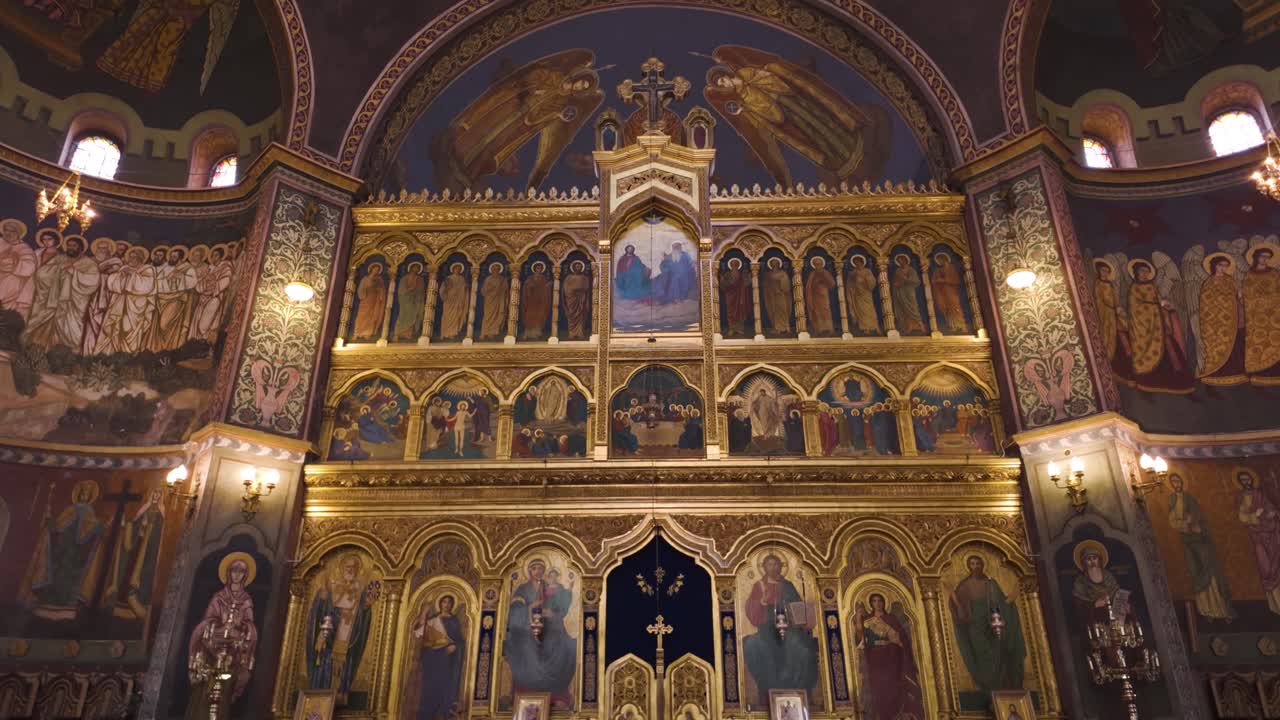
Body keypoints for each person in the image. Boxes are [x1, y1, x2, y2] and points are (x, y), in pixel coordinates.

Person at [18, 480, 106, 621]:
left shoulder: (89, 511)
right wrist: (50, 520)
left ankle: (65, 605)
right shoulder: (69, 510)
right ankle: (48, 603)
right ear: (78, 494)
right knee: (55, 573)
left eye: (87, 493)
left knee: (69, 577)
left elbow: (90, 527)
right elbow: (59, 525)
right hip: (62, 547)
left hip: (75, 552)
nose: (84, 495)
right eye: (83, 493)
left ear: (90, 497)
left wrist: (100, 525)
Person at [742, 554, 818, 703]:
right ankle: (768, 690)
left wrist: (795, 610)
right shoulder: (759, 586)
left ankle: (799, 690)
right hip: (766, 629)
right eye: (769, 565)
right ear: (764, 567)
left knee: (803, 649)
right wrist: (762, 603)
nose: (773, 567)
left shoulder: (788, 585)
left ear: (781, 566)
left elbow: (798, 608)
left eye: (775, 564)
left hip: (790, 629)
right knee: (753, 646)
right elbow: (751, 608)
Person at [504, 559, 576, 706]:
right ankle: (525, 695)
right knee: (527, 649)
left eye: (541, 569)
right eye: (535, 568)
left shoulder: (547, 586)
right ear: (529, 571)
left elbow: (559, 606)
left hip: (549, 628)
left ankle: (556, 696)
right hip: (525, 631)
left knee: (567, 647)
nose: (538, 572)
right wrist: (531, 607)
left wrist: (553, 612)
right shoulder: (523, 589)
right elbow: (515, 613)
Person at [306, 554, 377, 702]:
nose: (350, 570)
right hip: (331, 632)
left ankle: (340, 694)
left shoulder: (360, 589)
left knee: (345, 661)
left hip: (349, 632)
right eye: (347, 567)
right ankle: (320, 693)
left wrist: (366, 607)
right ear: (341, 568)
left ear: (358, 570)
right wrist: (322, 599)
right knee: (325, 659)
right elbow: (320, 610)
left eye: (354, 567)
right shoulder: (333, 586)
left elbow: (363, 612)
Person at [948, 555, 1025, 693]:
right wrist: (958, 605)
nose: (975, 566)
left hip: (991, 623)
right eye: (972, 564)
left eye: (978, 563)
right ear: (968, 566)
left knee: (997, 651)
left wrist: (1010, 599)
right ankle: (987, 687)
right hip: (974, 625)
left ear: (983, 565)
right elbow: (958, 607)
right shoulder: (964, 585)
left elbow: (1000, 604)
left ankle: (1001, 685)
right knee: (981, 654)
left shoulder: (991, 584)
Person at [188, 553, 258, 702]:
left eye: (241, 571)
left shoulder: (246, 600)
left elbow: (249, 625)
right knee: (204, 691)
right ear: (228, 572)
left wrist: (240, 627)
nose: (237, 575)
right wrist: (217, 625)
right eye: (234, 570)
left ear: (245, 575)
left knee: (224, 691)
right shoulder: (218, 597)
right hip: (213, 646)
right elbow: (208, 620)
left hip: (233, 650)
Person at [1167, 473, 1234, 620]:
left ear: (1182, 482)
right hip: (1188, 541)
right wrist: (1185, 524)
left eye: (1178, 480)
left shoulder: (1190, 498)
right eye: (1173, 482)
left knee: (1209, 568)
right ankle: (1205, 610)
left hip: (1201, 539)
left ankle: (1220, 608)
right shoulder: (1171, 499)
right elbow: (1172, 521)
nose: (1176, 484)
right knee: (1196, 572)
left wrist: (1194, 523)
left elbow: (1199, 516)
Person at [23, 235, 100, 351]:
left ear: (80, 247)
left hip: (73, 304)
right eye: (69, 245)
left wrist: (74, 273)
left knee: (71, 328)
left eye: (74, 246)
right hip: (54, 300)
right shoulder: (59, 259)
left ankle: (69, 352)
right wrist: (58, 268)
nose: (71, 248)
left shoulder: (88, 263)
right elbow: (41, 274)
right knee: (45, 324)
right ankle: (42, 349)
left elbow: (93, 281)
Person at [1127, 259, 1194, 392]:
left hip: (1159, 325)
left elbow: (1158, 300)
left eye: (1147, 271)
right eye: (1142, 271)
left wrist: (1165, 306)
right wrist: (1155, 308)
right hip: (1146, 330)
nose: (1145, 274)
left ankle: (1179, 381)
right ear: (1136, 272)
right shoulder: (1134, 289)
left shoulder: (1152, 286)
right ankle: (1149, 384)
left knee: (1171, 350)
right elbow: (1135, 309)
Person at [855, 593, 924, 720]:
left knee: (892, 686)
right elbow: (862, 638)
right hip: (875, 659)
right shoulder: (868, 620)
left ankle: (896, 715)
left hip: (891, 657)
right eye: (874, 601)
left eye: (880, 600)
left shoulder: (891, 618)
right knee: (879, 688)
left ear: (884, 602)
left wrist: (895, 643)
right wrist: (859, 617)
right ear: (871, 604)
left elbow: (902, 639)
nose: (877, 603)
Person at [95, 247, 158, 355]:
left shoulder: (148, 269)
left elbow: (147, 287)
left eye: (134, 257)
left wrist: (132, 274)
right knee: (116, 328)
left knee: (129, 329)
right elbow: (113, 284)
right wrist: (122, 276)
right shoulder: (125, 268)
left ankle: (129, 354)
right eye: (130, 257)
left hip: (137, 307)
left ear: (140, 259)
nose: (131, 259)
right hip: (119, 304)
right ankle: (112, 353)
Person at [411, 595, 466, 720]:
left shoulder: (453, 621)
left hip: (446, 659)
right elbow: (419, 632)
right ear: (440, 603)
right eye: (444, 602)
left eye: (449, 602)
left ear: (452, 605)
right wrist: (424, 613)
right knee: (429, 686)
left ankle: (443, 712)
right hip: (431, 658)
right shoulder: (433, 619)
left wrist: (455, 646)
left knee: (443, 685)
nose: (446, 605)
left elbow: (460, 641)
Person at [1236, 468, 1280, 613]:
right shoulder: (1241, 497)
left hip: (1271, 534)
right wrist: (1255, 514)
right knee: (1265, 567)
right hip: (1257, 536)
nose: (1246, 482)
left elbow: (1269, 507)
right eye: (1243, 480)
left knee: (1276, 563)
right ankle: (1275, 604)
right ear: (1240, 482)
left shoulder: (1260, 493)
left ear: (1252, 479)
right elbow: (1242, 517)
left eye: (1247, 479)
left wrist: (1271, 513)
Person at [1244, 246, 1280, 382]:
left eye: (1268, 257)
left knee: (1275, 341)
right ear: (1256, 257)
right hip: (1256, 315)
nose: (1265, 259)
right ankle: (1259, 374)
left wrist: (1271, 300)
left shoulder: (1274, 273)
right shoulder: (1249, 274)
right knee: (1258, 342)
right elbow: (1247, 294)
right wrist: (1257, 301)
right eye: (1262, 256)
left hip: (1273, 314)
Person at [0, 219, 36, 318]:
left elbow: (30, 267)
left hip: (11, 282)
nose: (8, 233)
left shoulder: (24, 248)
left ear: (18, 233)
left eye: (12, 231)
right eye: (6, 230)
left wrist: (15, 264)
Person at [931, 252, 967, 332]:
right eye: (938, 260)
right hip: (942, 292)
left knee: (955, 307)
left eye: (940, 259)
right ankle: (952, 326)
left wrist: (944, 280)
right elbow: (934, 281)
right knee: (947, 309)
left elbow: (956, 280)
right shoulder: (938, 270)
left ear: (944, 259)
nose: (939, 261)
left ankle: (961, 325)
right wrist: (937, 281)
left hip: (951, 291)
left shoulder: (951, 268)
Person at [890, 254, 926, 334]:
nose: (900, 263)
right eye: (899, 261)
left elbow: (916, 281)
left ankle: (921, 325)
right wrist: (896, 284)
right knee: (903, 310)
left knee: (913, 308)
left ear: (905, 261)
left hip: (909, 292)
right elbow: (896, 281)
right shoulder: (898, 271)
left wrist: (906, 279)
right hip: (900, 292)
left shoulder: (911, 270)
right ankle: (909, 327)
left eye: (901, 261)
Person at [392, 261, 428, 341]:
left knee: (416, 315)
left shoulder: (420, 279)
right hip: (406, 301)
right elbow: (401, 291)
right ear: (411, 269)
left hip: (416, 300)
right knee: (405, 315)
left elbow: (422, 291)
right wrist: (409, 290)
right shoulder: (404, 278)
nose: (416, 269)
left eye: (417, 268)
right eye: (415, 268)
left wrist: (417, 293)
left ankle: (410, 334)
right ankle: (399, 332)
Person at [352, 262, 387, 341]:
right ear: (371, 269)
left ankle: (367, 333)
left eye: (378, 270)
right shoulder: (365, 279)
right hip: (366, 300)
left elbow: (382, 290)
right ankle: (357, 333)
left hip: (375, 300)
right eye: (375, 269)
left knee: (372, 316)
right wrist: (367, 289)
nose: (376, 271)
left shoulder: (379, 280)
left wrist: (379, 291)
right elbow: (361, 289)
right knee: (362, 316)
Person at [845, 255, 880, 335]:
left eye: (858, 262)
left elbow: (872, 283)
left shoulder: (867, 271)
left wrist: (864, 280)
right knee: (860, 312)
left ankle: (874, 327)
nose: (857, 264)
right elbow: (850, 285)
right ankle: (865, 328)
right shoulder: (853, 273)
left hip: (866, 294)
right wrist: (854, 285)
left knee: (869, 310)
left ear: (862, 262)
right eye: (855, 263)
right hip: (857, 295)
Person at [804, 256, 837, 335]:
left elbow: (832, 283)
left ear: (822, 264)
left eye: (818, 264)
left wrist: (823, 280)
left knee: (825, 310)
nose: (817, 266)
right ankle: (819, 328)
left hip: (823, 295)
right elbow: (809, 286)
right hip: (815, 296)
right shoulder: (812, 274)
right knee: (816, 312)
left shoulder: (825, 273)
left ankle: (828, 328)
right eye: (816, 264)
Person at [437, 262, 470, 340]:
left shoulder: (462, 279)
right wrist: (446, 294)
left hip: (458, 300)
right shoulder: (448, 278)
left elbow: (464, 289)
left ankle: (452, 333)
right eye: (456, 269)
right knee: (447, 316)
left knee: (456, 316)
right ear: (453, 270)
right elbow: (442, 290)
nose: (457, 270)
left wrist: (466, 287)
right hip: (449, 299)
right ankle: (445, 333)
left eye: (459, 269)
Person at [720, 257, 752, 337]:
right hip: (730, 296)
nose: (734, 265)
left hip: (740, 296)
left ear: (738, 265)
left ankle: (739, 328)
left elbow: (746, 284)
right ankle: (732, 328)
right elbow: (723, 285)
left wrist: (749, 277)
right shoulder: (728, 274)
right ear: (730, 265)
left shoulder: (742, 274)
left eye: (736, 264)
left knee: (740, 311)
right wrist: (723, 280)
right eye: (733, 264)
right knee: (730, 312)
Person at [761, 257, 793, 334]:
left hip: (781, 295)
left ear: (779, 264)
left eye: (776, 263)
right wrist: (769, 287)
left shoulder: (783, 273)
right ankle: (776, 328)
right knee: (773, 311)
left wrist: (781, 284)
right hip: (771, 296)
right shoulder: (768, 274)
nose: (774, 265)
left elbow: (786, 286)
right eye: (773, 263)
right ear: (770, 265)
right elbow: (765, 285)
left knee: (783, 310)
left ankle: (785, 327)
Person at [521, 261, 552, 339]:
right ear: (534, 269)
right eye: (538, 268)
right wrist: (529, 286)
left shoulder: (544, 278)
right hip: (531, 302)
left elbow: (545, 288)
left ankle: (536, 333)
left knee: (539, 317)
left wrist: (547, 286)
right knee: (529, 316)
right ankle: (528, 333)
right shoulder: (530, 278)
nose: (539, 269)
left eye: (540, 268)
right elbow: (526, 288)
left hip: (540, 301)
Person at [561, 260, 591, 340]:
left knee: (580, 316)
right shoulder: (568, 278)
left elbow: (587, 290)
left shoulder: (584, 278)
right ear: (573, 267)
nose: (578, 268)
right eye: (576, 266)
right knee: (571, 316)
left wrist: (585, 298)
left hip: (581, 299)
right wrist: (573, 292)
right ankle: (572, 333)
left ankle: (579, 332)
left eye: (579, 267)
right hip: (571, 300)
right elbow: (565, 290)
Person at [479, 262, 509, 340]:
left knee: (497, 316)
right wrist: (491, 288)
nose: (496, 270)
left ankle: (492, 332)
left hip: (498, 300)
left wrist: (503, 288)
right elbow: (483, 291)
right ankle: (484, 332)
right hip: (490, 300)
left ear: (499, 270)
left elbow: (506, 290)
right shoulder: (488, 279)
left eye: (497, 269)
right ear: (491, 270)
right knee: (488, 316)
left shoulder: (502, 279)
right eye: (494, 269)